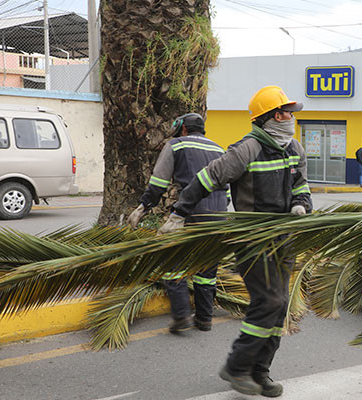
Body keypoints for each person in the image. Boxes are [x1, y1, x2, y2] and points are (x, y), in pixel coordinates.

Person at [158, 85, 312, 397]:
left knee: (278, 308)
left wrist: (301, 205)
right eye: (285, 112)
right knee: (269, 302)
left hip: (284, 240)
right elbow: (205, 179)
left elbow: (301, 185)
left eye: (290, 113)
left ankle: (260, 371)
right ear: (270, 117)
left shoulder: (294, 148)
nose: (290, 118)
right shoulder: (246, 150)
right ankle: (237, 366)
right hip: (253, 242)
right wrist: (179, 213)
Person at [127, 113, 228, 334]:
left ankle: (181, 315)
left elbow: (158, 182)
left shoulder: (176, 145)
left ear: (183, 129)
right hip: (219, 215)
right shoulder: (219, 149)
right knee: (206, 268)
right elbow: (227, 189)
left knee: (172, 262)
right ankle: (204, 319)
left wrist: (143, 207)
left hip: (190, 212)